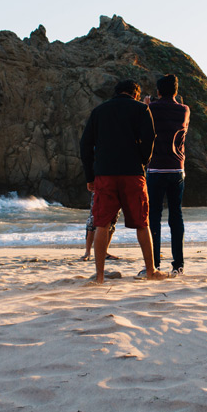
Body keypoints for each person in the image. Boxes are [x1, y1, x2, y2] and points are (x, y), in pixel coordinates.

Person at [80, 79, 167, 284]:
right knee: (142, 223)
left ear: (116, 92)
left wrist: (89, 176)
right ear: (135, 94)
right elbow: (150, 139)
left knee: (102, 224)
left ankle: (100, 276)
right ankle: (151, 271)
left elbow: (85, 145)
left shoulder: (99, 111)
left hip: (104, 174)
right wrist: (142, 162)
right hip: (132, 173)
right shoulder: (141, 109)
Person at [144, 74, 191, 277]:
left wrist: (146, 105)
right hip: (177, 168)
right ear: (176, 91)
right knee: (176, 216)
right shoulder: (184, 110)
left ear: (158, 91)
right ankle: (178, 265)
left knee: (154, 216)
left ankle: (154, 263)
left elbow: (145, 129)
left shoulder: (151, 108)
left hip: (155, 168)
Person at [79, 192, 118, 261]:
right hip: (100, 189)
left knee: (112, 222)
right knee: (92, 221)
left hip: (116, 191)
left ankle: (104, 252)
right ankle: (87, 252)